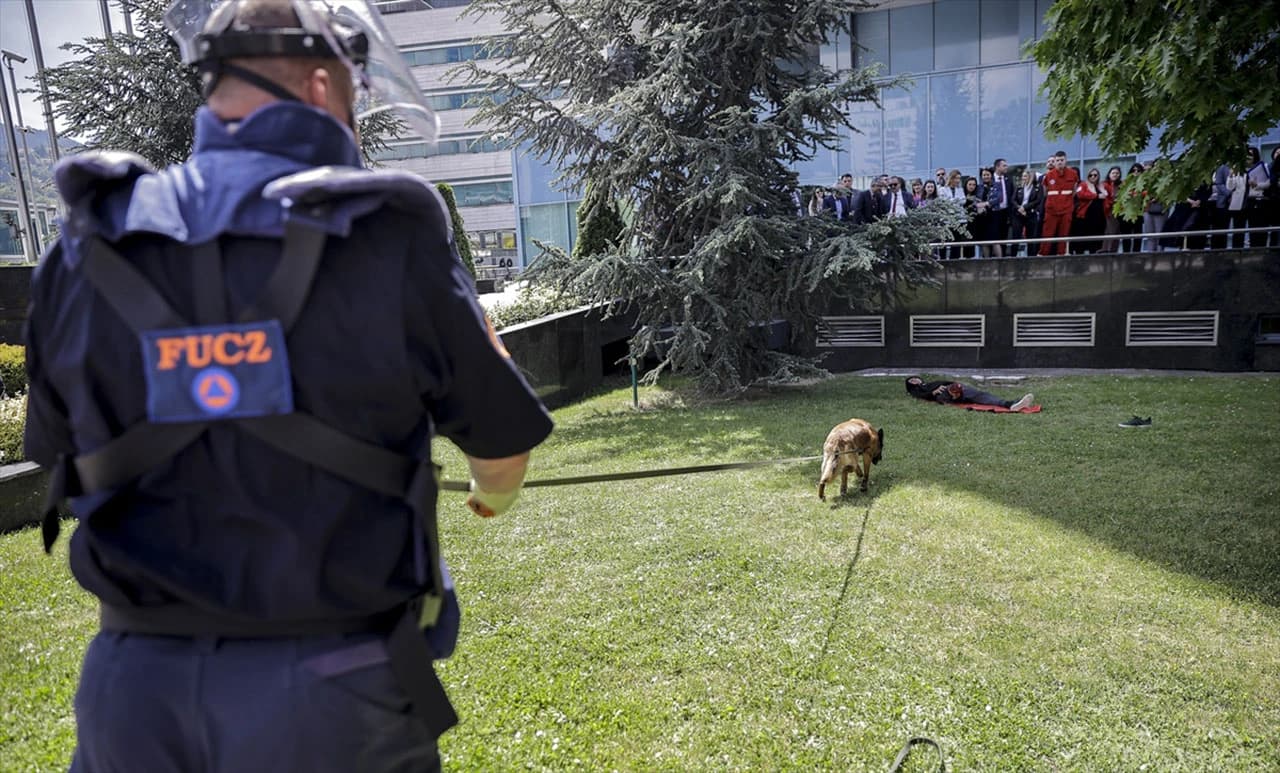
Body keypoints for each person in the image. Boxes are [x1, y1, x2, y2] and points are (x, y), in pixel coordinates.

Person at [22, 1, 554, 770]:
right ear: (316, 86)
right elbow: (500, 451)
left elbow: (57, 453)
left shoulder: (86, 240)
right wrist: (489, 493)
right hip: (332, 695)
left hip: (134, 695)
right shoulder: (387, 230)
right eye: (353, 88)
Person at [904, 376, 1034, 411]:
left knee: (981, 396)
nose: (915, 380)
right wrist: (932, 392)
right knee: (951, 390)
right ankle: (955, 393)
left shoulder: (929, 382)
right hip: (942, 394)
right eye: (911, 381)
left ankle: (1010, 404)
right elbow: (918, 396)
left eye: (914, 378)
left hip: (952, 389)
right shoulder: (918, 390)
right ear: (910, 385)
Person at [1038, 151, 1079, 256]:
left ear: (1066, 161)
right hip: (1051, 209)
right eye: (1057, 160)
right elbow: (1045, 191)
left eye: (1062, 160)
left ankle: (1062, 254)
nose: (1060, 162)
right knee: (1047, 233)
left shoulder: (1073, 174)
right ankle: (1043, 254)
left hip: (1066, 209)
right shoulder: (1049, 175)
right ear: (1055, 162)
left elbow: (1074, 191)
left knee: (1064, 233)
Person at [1072, 168, 1107, 254]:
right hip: (1085, 217)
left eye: (1095, 175)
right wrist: (1096, 196)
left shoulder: (1102, 186)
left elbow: (1108, 196)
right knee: (1081, 240)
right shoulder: (1083, 185)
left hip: (1099, 217)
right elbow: (1080, 194)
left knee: (1096, 240)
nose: (1093, 177)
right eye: (1090, 175)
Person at [1010, 168, 1042, 257]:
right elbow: (1013, 199)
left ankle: (1031, 257)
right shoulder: (1019, 186)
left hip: (1031, 214)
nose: (1023, 178)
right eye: (1023, 176)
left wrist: (1024, 207)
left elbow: (1038, 200)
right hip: (1018, 214)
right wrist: (1019, 208)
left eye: (1025, 176)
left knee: (1031, 237)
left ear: (1031, 176)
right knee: (1016, 236)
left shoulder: (1037, 187)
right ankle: (1013, 257)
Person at [1100, 165, 1124, 252]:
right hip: (1106, 210)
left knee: (1115, 231)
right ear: (1109, 174)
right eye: (1113, 173)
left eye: (1117, 173)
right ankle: (1106, 249)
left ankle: (1112, 250)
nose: (1115, 175)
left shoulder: (1122, 185)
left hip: (1117, 211)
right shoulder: (1104, 184)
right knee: (1109, 231)